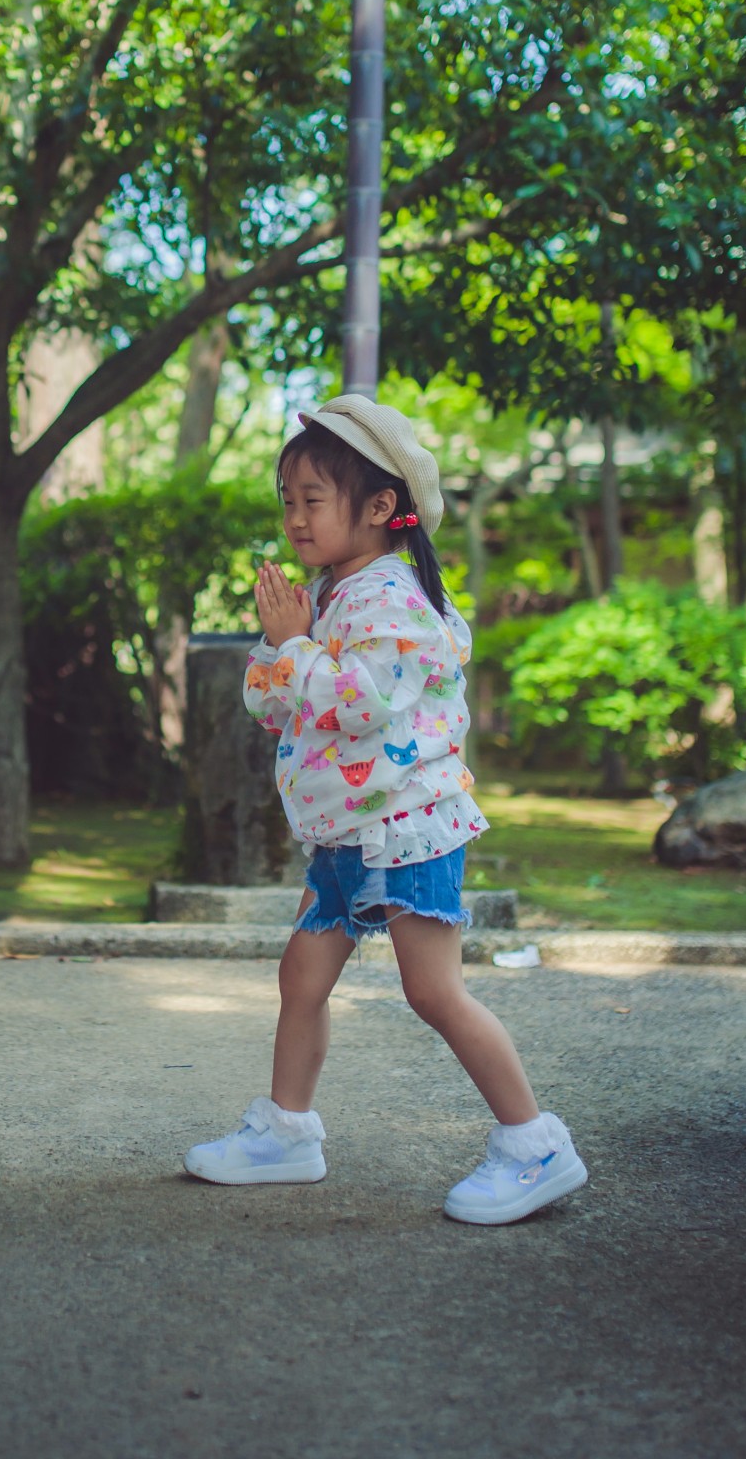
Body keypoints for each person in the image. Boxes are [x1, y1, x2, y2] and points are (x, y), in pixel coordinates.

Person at [183, 393, 587, 1225]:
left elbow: (357, 703)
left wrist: (294, 649)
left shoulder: (393, 600)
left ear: (378, 507)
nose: (294, 519)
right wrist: (281, 643)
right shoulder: (334, 595)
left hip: (407, 831)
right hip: (344, 834)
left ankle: (535, 1145)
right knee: (300, 974)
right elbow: (276, 706)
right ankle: (287, 1133)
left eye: (312, 500)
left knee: (433, 992)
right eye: (286, 500)